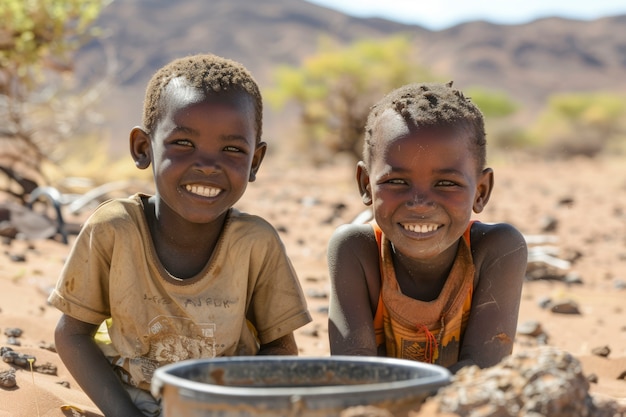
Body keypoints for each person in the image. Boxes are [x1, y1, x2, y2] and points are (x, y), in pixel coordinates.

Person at [49, 53, 312, 417]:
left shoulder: (256, 244)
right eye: (184, 144)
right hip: (133, 401)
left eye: (232, 149)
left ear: (255, 162)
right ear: (143, 148)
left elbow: (281, 348)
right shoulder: (114, 229)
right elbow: (72, 334)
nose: (207, 165)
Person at [327, 82, 527, 374]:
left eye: (446, 183)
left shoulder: (497, 250)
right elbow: (354, 373)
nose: (419, 204)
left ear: (481, 191)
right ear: (365, 184)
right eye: (397, 181)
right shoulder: (357, 252)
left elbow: (483, 375)